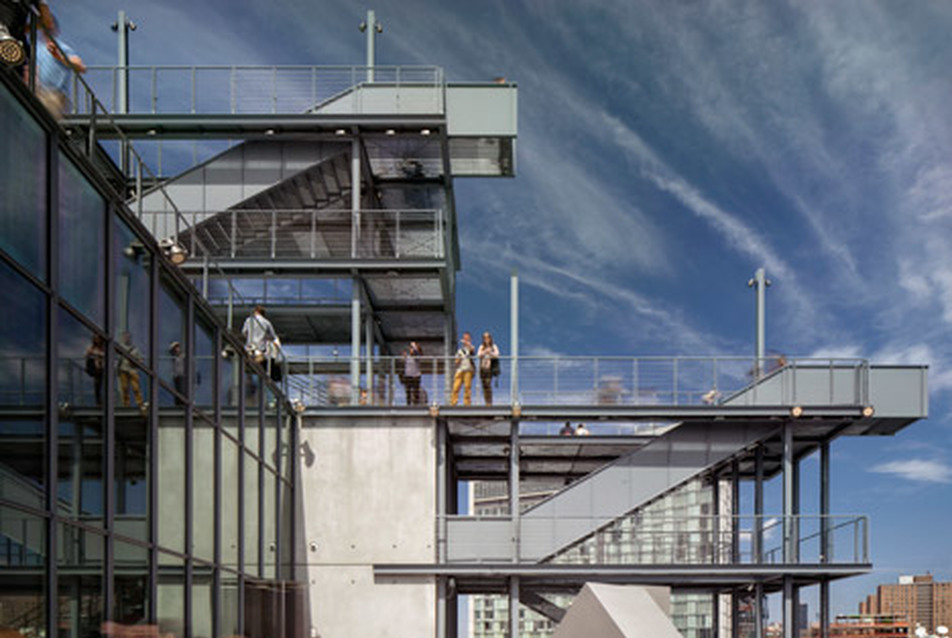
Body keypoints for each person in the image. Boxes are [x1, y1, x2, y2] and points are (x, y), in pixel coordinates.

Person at [35, 11, 85, 117]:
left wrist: (58, 56)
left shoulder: (62, 48)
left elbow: (81, 67)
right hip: (37, 93)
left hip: (54, 95)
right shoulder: (36, 48)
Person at [117, 331, 144, 409]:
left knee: (136, 388)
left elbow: (140, 359)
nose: (126, 338)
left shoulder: (135, 348)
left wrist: (136, 361)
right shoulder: (120, 348)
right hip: (123, 369)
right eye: (125, 337)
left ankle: (139, 403)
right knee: (124, 388)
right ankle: (126, 404)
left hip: (133, 370)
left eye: (128, 337)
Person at [449, 332, 475, 406]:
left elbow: (472, 352)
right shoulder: (460, 350)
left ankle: (467, 404)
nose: (465, 339)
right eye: (464, 338)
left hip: (468, 369)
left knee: (467, 387)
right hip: (460, 369)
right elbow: (456, 361)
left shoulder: (471, 347)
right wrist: (458, 359)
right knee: (455, 387)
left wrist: (468, 344)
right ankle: (453, 403)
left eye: (467, 338)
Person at [477, 331, 500, 406]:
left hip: (489, 368)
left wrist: (490, 352)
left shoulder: (494, 346)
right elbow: (479, 355)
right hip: (482, 368)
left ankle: (489, 403)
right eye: (484, 337)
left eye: (487, 337)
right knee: (484, 386)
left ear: (490, 338)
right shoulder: (481, 346)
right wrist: (485, 352)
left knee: (488, 385)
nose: (486, 339)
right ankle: (487, 402)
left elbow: (497, 355)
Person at [84, 334, 105, 406]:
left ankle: (101, 401)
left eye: (98, 339)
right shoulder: (92, 348)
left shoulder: (103, 348)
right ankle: (98, 402)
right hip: (95, 369)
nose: (97, 340)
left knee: (101, 385)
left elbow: (105, 355)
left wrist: (97, 354)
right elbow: (87, 355)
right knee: (97, 385)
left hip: (102, 369)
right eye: (95, 339)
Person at [403, 341, 423, 405]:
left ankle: (416, 404)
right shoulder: (408, 357)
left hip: (416, 376)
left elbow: (416, 352)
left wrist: (413, 344)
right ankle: (408, 404)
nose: (411, 350)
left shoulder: (417, 356)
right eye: (410, 348)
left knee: (416, 392)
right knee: (408, 392)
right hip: (408, 376)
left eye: (412, 348)